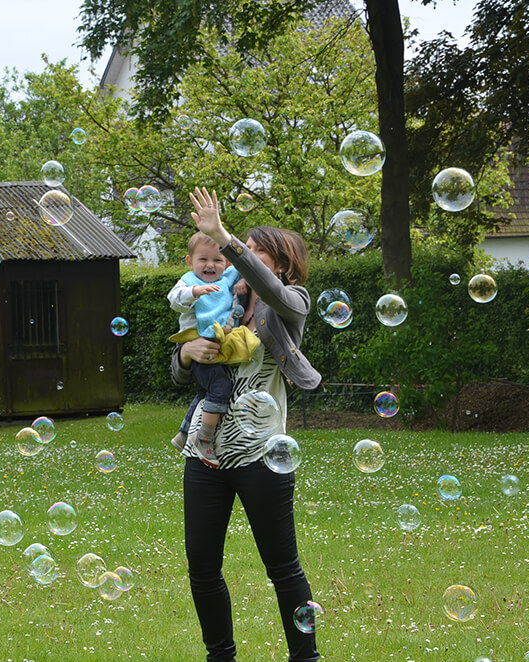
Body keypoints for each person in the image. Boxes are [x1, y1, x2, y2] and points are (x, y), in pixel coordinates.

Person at [171, 187, 322, 662]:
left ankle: (306, 658)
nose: (241, 255)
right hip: (205, 454)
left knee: (282, 566)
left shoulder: (290, 304)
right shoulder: (219, 304)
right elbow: (181, 371)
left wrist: (223, 235)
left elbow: (275, 293)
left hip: (263, 456)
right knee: (202, 569)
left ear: (282, 263)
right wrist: (183, 353)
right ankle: (221, 657)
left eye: (255, 250)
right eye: (244, 248)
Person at [167, 232, 258, 465]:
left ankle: (185, 432)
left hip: (219, 345)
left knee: (205, 392)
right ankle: (204, 437)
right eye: (203, 260)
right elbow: (174, 299)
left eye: (217, 260)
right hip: (200, 345)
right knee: (220, 386)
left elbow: (248, 267)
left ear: (226, 263)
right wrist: (194, 292)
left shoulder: (227, 278)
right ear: (190, 262)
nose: (210, 265)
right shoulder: (188, 281)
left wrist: (242, 281)